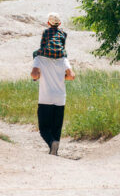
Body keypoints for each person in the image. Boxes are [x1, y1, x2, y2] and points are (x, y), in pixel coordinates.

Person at [31, 12, 75, 156]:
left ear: (48, 25)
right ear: (59, 25)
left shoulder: (39, 58)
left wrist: (36, 77)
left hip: (45, 98)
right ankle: (54, 148)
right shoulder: (63, 59)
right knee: (57, 127)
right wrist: (61, 78)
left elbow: (34, 74)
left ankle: (51, 144)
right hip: (60, 98)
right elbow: (71, 76)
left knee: (44, 128)